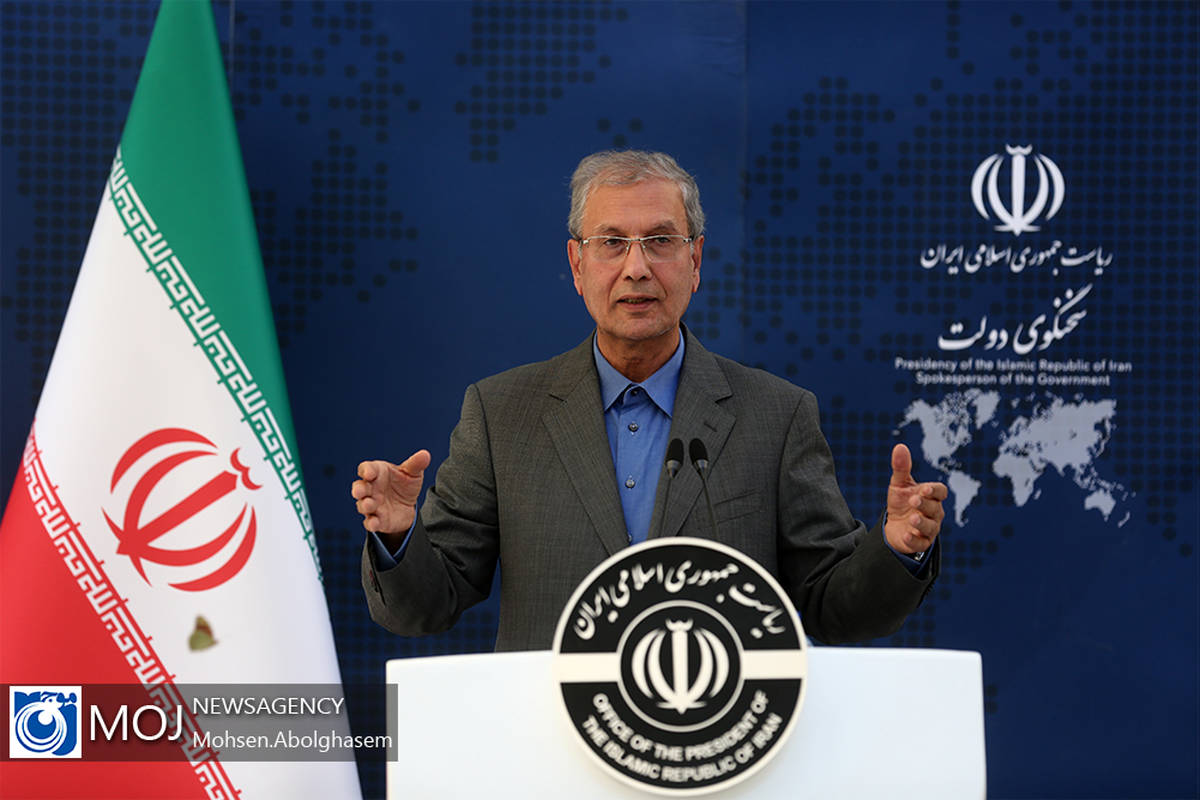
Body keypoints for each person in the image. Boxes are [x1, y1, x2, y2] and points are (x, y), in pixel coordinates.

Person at [353, 150, 946, 652]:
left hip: (718, 737)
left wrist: (896, 550)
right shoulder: (503, 414)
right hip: (551, 740)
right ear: (577, 265)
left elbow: (833, 606)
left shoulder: (776, 415)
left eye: (660, 241)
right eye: (612, 243)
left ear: (695, 260)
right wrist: (400, 536)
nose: (636, 268)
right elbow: (427, 606)